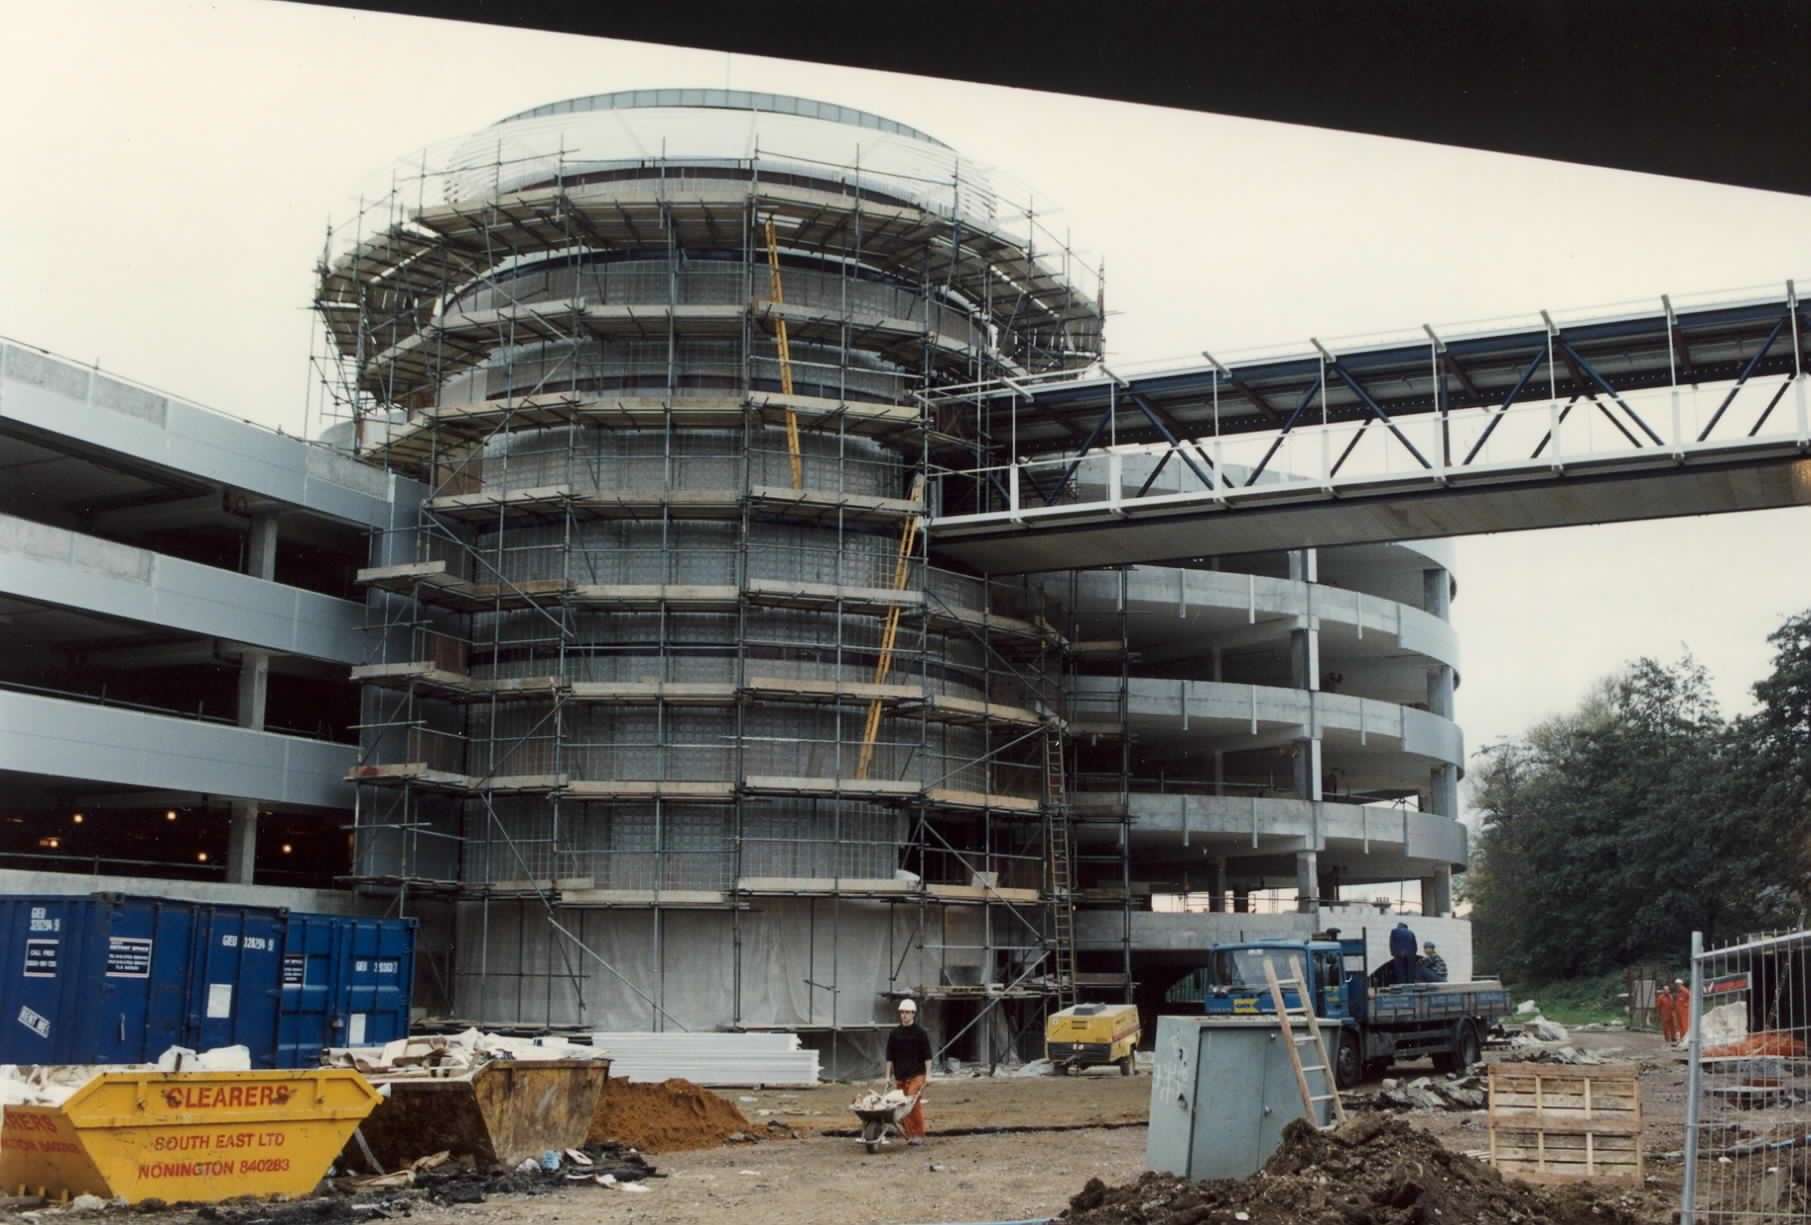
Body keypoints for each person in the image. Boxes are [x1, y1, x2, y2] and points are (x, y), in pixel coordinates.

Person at [883, 997, 932, 1145]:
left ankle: (918, 1134)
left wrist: (928, 1075)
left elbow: (928, 1056)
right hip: (901, 1076)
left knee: (912, 1102)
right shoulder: (894, 1034)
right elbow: (889, 1058)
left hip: (917, 1075)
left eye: (907, 1012)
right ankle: (910, 1135)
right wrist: (887, 1076)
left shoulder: (920, 1033)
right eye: (902, 1012)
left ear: (913, 1014)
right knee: (901, 1106)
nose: (904, 1015)